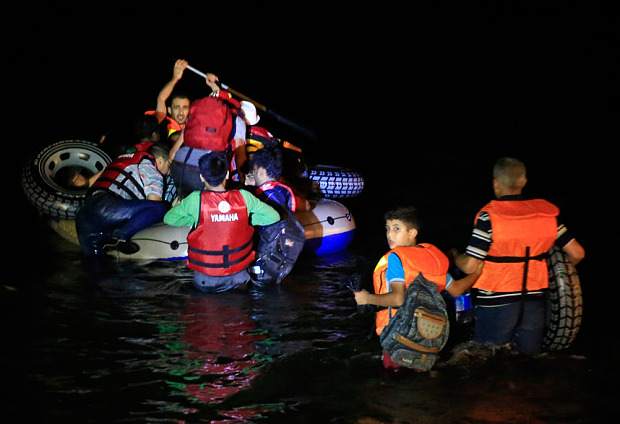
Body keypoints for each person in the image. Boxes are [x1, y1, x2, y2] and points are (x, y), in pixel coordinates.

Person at [451, 157, 585, 355]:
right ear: (523, 182)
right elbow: (577, 253)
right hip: (533, 301)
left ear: (496, 183)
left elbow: (470, 266)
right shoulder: (547, 216)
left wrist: (455, 256)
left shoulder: (490, 218)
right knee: (526, 360)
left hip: (496, 301)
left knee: (486, 359)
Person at [353, 206, 481, 370]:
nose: (390, 234)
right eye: (388, 229)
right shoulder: (432, 257)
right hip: (428, 336)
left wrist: (366, 299)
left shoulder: (395, 258)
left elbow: (398, 299)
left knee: (394, 382)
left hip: (398, 336)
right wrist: (477, 273)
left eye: (396, 229)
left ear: (412, 233)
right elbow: (456, 289)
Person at [163, 151, 280, 292]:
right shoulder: (245, 197)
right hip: (238, 277)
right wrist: (243, 218)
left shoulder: (195, 199)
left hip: (206, 280)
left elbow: (169, 219)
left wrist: (197, 219)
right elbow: (274, 217)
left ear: (201, 177)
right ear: (227, 175)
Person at [75, 142, 174, 256]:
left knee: (95, 263)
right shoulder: (151, 169)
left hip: (83, 214)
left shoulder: (122, 160)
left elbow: (92, 183)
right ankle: (120, 236)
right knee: (160, 208)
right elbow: (154, 202)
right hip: (106, 208)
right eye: (169, 165)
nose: (170, 172)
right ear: (160, 160)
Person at [169, 73, 248, 198]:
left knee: (186, 203)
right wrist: (245, 184)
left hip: (179, 166)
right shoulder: (236, 119)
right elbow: (240, 157)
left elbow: (173, 152)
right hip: (205, 173)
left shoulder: (198, 118)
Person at [145, 59, 191, 144]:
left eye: (185, 107)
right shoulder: (163, 125)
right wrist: (175, 78)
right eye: (176, 107)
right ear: (170, 110)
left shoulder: (194, 127)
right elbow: (161, 98)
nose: (181, 112)